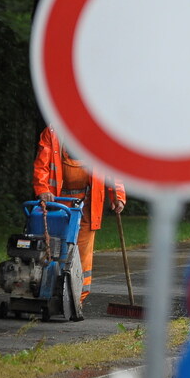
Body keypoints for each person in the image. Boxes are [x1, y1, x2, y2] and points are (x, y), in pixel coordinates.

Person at [32, 125, 126, 306]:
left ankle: (77, 298)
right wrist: (42, 190)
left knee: (82, 253)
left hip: (87, 205)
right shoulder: (53, 133)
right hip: (58, 203)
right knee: (53, 248)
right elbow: (42, 165)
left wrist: (118, 196)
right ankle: (49, 291)